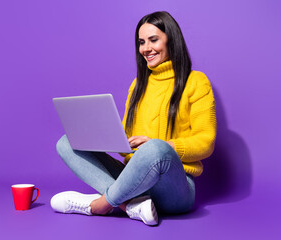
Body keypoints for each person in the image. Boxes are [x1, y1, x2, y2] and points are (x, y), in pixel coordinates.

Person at [50, 11, 216, 226]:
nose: (146, 48)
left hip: (175, 189)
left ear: (171, 39)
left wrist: (162, 146)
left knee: (155, 149)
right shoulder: (138, 85)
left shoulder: (197, 82)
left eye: (153, 40)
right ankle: (129, 205)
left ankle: (100, 205)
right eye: (141, 42)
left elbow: (206, 142)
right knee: (66, 142)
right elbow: (125, 146)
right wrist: (107, 137)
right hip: (134, 179)